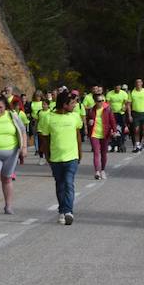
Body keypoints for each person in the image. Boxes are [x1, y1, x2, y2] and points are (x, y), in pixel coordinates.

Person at [39, 91, 83, 225]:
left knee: (69, 183)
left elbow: (78, 136)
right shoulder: (48, 118)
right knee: (60, 185)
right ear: (64, 105)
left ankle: (68, 211)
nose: (75, 105)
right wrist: (47, 156)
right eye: (72, 103)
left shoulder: (74, 117)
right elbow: (45, 139)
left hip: (72, 157)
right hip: (56, 158)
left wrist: (80, 152)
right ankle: (62, 211)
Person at [86, 91, 116, 180]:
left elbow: (112, 121)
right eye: (99, 101)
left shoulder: (107, 109)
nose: (102, 102)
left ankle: (102, 170)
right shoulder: (91, 110)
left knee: (104, 153)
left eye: (103, 100)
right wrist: (89, 122)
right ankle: (97, 172)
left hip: (105, 134)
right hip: (94, 134)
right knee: (96, 152)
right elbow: (88, 120)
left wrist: (114, 130)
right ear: (95, 102)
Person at [128, 78, 144, 153]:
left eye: (139, 82)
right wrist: (129, 115)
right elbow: (129, 104)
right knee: (136, 130)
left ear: (142, 83)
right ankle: (138, 145)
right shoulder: (132, 92)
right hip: (135, 113)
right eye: (137, 82)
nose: (138, 84)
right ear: (135, 84)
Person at [106, 83, 130, 152]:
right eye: (116, 88)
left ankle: (121, 143)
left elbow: (126, 103)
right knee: (112, 129)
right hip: (112, 113)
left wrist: (124, 107)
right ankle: (112, 144)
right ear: (114, 87)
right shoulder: (110, 94)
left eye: (118, 87)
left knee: (121, 129)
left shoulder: (124, 94)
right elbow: (107, 103)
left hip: (121, 114)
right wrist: (109, 110)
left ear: (120, 87)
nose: (117, 89)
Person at [27, 90, 46, 160]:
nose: (37, 98)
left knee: (42, 135)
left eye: (39, 96)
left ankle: (43, 148)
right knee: (35, 136)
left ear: (41, 97)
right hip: (34, 121)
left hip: (42, 121)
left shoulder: (43, 103)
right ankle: (37, 150)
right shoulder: (31, 103)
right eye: (36, 96)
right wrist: (29, 117)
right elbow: (29, 112)